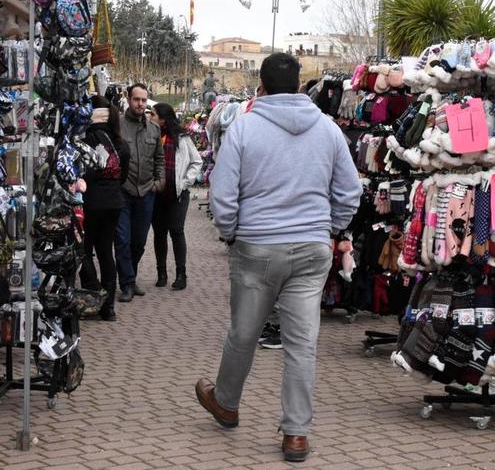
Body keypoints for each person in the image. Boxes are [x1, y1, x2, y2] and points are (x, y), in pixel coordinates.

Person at [195, 53, 362, 463]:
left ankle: (227, 402)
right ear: (300, 85)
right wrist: (330, 228)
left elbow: (223, 194)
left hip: (256, 246)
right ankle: (296, 434)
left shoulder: (244, 127)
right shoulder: (328, 129)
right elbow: (349, 192)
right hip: (311, 249)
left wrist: (231, 233)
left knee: (243, 333)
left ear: (262, 86)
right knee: (302, 344)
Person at [79, 95, 131, 321]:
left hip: (91, 202)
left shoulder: (87, 140)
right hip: (113, 202)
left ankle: (92, 295)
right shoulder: (120, 144)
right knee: (105, 252)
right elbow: (123, 176)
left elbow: (82, 171)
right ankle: (108, 306)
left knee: (83, 251)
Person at [115, 83, 165, 303]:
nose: (140, 104)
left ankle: (131, 276)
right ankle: (126, 283)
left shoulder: (154, 129)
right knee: (123, 239)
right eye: (137, 99)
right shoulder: (117, 125)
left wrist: (159, 182)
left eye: (144, 100)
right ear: (128, 99)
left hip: (146, 191)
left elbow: (159, 159)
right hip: (123, 191)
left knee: (139, 241)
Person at [149, 103, 202, 290]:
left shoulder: (182, 137)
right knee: (159, 233)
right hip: (157, 193)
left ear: (163, 119)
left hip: (178, 193)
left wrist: (186, 181)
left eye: (153, 114)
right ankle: (161, 272)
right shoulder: (151, 136)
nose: (150, 117)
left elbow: (196, 161)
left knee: (176, 231)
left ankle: (181, 274)